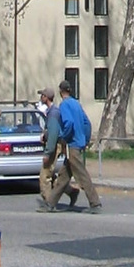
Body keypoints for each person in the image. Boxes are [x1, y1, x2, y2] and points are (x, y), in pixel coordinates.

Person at [56, 80, 101, 211]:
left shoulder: (64, 105)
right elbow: (87, 123)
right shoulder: (76, 104)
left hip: (72, 144)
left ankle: (95, 202)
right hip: (79, 142)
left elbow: (68, 122)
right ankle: (51, 202)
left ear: (60, 91)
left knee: (81, 174)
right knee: (63, 176)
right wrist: (85, 139)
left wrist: (64, 137)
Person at [37, 88, 78, 210]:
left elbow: (54, 133)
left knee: (45, 175)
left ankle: (49, 203)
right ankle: (71, 191)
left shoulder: (53, 112)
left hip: (55, 145)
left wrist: (48, 153)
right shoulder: (52, 111)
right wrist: (45, 134)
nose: (41, 97)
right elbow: (51, 130)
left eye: (42, 95)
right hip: (56, 143)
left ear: (46, 97)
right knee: (52, 175)